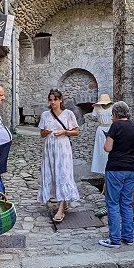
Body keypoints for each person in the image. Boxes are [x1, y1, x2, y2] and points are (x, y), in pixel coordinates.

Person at [99, 101, 134, 248]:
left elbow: (107, 148)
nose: (112, 118)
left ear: (116, 114)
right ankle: (128, 237)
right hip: (132, 169)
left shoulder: (115, 126)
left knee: (113, 203)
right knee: (126, 204)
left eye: (112, 115)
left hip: (116, 168)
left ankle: (114, 239)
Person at [38, 89, 80, 223]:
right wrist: (45, 131)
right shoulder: (45, 115)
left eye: (55, 99)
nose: (53, 102)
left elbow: (76, 132)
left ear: (60, 100)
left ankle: (60, 208)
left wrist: (64, 132)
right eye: (50, 100)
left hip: (63, 147)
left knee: (63, 174)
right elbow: (42, 134)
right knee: (52, 173)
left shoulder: (68, 114)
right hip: (50, 148)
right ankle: (63, 201)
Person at [90, 94, 114, 175]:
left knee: (112, 148)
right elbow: (93, 117)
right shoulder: (97, 108)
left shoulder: (113, 107)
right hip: (101, 129)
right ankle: (102, 169)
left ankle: (111, 167)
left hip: (111, 128)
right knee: (101, 149)